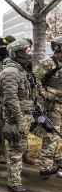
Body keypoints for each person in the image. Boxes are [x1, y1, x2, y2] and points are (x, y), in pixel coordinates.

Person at [0, 39, 35, 192]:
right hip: (16, 117)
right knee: (15, 148)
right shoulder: (11, 72)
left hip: (26, 114)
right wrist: (20, 120)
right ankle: (14, 183)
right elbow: (11, 98)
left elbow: (27, 93)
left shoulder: (22, 70)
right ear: (18, 53)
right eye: (27, 51)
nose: (31, 53)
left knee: (21, 147)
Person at [33, 36, 62, 180]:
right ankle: (45, 168)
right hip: (54, 105)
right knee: (52, 135)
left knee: (57, 135)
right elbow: (35, 79)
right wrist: (45, 94)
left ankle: (58, 160)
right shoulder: (48, 63)